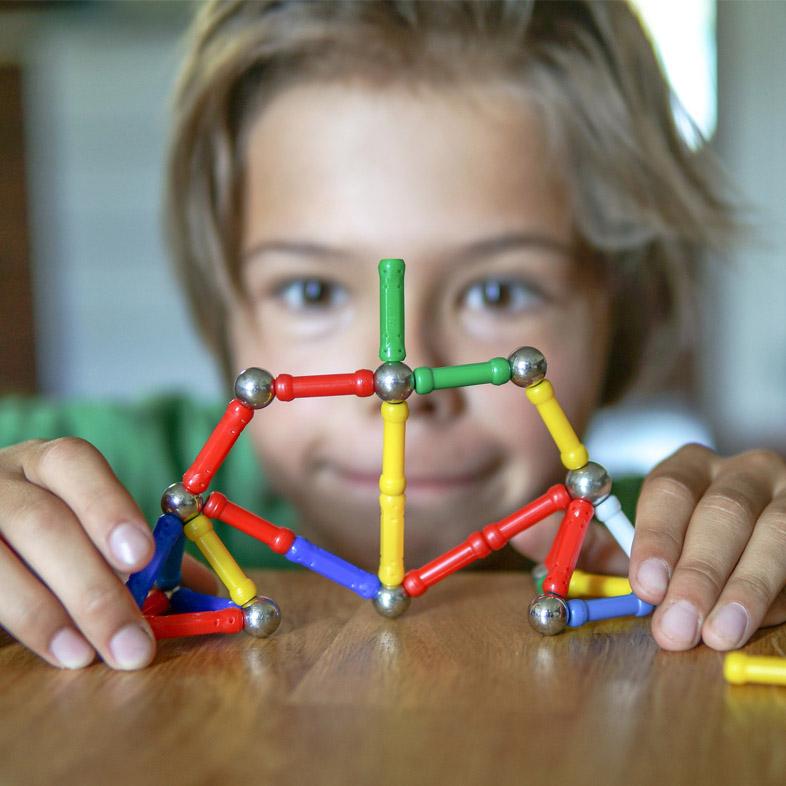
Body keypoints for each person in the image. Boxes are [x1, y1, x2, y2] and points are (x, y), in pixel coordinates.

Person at [0, 0, 783, 671]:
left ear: (623, 311)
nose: (400, 383)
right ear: (223, 307)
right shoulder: (121, 486)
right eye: (311, 291)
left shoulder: (651, 548)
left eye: (497, 290)